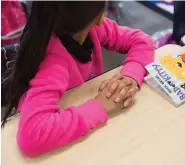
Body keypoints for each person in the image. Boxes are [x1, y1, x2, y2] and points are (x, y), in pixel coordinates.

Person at [1, 2, 155, 157]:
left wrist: (130, 75)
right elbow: (31, 136)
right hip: (57, 145)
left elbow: (142, 41)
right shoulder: (54, 62)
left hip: (76, 126)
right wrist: (99, 106)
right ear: (100, 15)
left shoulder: (92, 29)